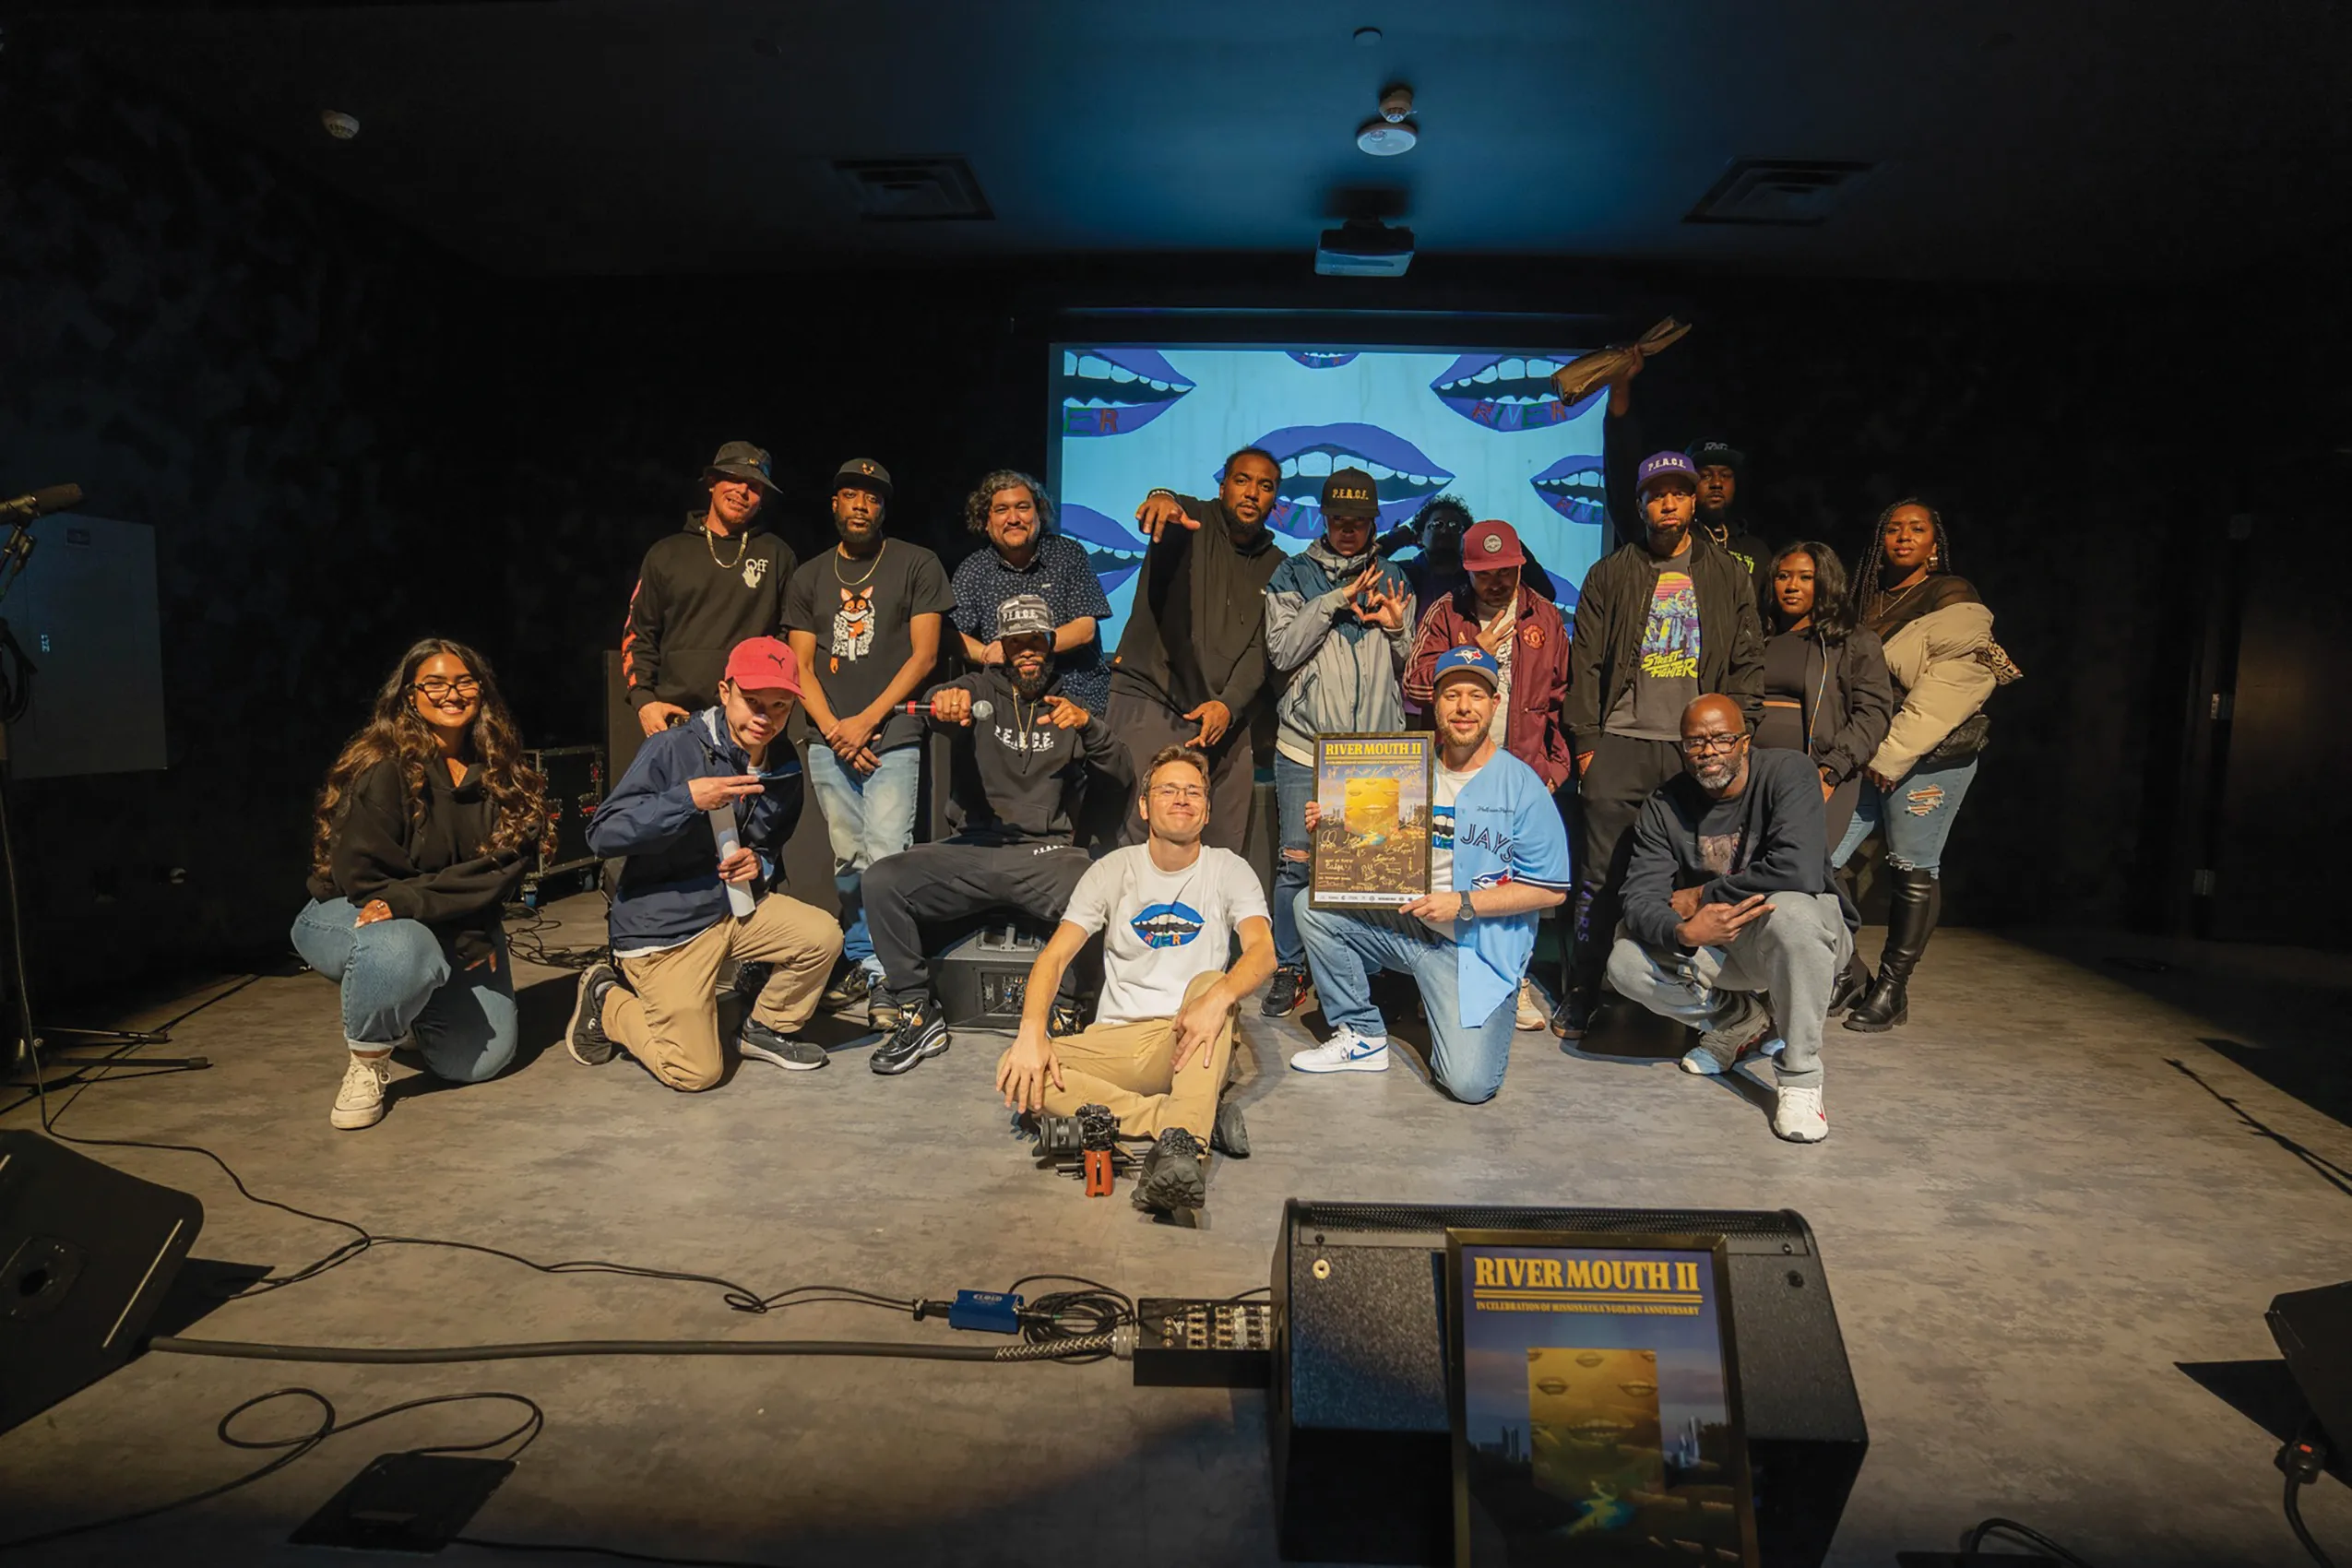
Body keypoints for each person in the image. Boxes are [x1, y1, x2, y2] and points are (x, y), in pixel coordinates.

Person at [993, 745, 1274, 1215]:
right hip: (1117, 1041)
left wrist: (1219, 996)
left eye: (1193, 792)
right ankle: (1184, 1121)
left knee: (1210, 983)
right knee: (1018, 1069)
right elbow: (1055, 956)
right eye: (1168, 790)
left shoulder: (1228, 869)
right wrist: (1030, 1033)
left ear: (1207, 810)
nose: (1181, 799)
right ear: (1144, 806)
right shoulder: (1112, 870)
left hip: (1190, 1035)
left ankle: (1184, 1149)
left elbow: (1263, 952)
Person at [1289, 647, 1573, 1102]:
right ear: (1434, 703)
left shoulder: (1522, 784)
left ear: (1494, 705)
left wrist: (1464, 903)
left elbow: (1551, 889)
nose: (1464, 708)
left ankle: (1463, 1006)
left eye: (1476, 696)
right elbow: (1371, 843)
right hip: (1409, 929)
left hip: (1476, 951)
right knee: (1312, 905)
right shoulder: (1406, 769)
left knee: (1469, 1085)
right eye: (1452, 695)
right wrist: (1332, 825)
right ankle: (1361, 1033)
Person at [861, 594, 1123, 1075]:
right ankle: (917, 1010)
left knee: (1098, 883)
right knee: (881, 880)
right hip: (972, 848)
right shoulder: (976, 689)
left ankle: (1066, 1012)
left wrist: (1090, 728)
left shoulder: (1070, 706)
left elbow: (1122, 773)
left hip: (1044, 853)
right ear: (1001, 647)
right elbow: (949, 703)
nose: (1028, 652)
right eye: (1017, 642)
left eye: (1037, 641)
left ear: (1050, 644)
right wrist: (948, 703)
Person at [293, 639, 546, 1130]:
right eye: (434, 683)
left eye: (464, 682)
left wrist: (468, 928)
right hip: (349, 911)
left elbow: (500, 871)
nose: (451, 693)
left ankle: (409, 1005)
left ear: (482, 691)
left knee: (478, 1060)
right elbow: (365, 880)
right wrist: (450, 914)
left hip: (444, 918)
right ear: (410, 695)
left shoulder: (504, 774)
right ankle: (367, 1061)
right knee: (403, 948)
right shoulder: (382, 767)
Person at [569, 637, 843, 1088]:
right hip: (665, 927)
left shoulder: (784, 762)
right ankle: (606, 999)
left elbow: (771, 843)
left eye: (779, 705)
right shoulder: (673, 748)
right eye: (753, 702)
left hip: (731, 910)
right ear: (725, 691)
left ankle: (765, 1028)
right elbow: (603, 833)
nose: (765, 716)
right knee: (696, 1072)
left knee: (821, 937)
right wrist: (687, 799)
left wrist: (760, 863)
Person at [1556, 451, 1764, 1039]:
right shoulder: (1611, 573)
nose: (1667, 503)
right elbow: (1585, 664)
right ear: (1640, 504)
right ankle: (1584, 988)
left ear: (1694, 501)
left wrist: (1735, 736)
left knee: (1702, 870)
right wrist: (1589, 745)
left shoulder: (1728, 574)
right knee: (1600, 875)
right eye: (1656, 495)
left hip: (1697, 748)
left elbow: (1748, 663)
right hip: (1622, 742)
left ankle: (1701, 998)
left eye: (1678, 493)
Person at [1605, 695, 1858, 1144]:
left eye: (1722, 738)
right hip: (1723, 946)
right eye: (1695, 742)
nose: (1709, 751)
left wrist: (1703, 896)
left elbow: (1798, 870)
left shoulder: (1789, 773)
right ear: (1682, 749)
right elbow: (1639, 896)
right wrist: (1683, 933)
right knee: (1625, 961)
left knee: (1793, 913)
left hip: (1796, 939)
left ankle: (1800, 1077)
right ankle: (1739, 1022)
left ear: (1745, 740)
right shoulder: (1665, 805)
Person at [781, 458, 954, 1018]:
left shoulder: (916, 563)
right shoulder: (809, 575)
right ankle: (864, 960)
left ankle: (891, 974)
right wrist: (836, 730)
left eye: (873, 498)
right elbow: (800, 666)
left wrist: (865, 722)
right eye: (851, 495)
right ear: (834, 504)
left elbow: (924, 655)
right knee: (848, 856)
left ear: (883, 508)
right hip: (828, 738)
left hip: (892, 733)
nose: (862, 505)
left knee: (886, 855)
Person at [1835, 500, 2002, 1033]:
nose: (1903, 537)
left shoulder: (1952, 595)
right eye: (1893, 529)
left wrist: (1894, 753)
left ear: (1935, 542)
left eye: (1917, 528)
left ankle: (1892, 989)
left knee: (1912, 868)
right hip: (1868, 751)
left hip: (1928, 756)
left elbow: (1955, 686)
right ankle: (1847, 971)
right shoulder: (1865, 598)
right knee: (1817, 857)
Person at [1404, 518, 1573, 1030]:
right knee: (1453, 871)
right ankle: (1438, 977)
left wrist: (1555, 768)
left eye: (1505, 572)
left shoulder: (1545, 616)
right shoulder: (1446, 612)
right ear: (1468, 571)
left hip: (1521, 770)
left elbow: (1562, 699)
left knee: (1514, 880)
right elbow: (1415, 685)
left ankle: (1514, 980)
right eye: (1484, 574)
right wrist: (1475, 645)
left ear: (1520, 566)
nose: (1495, 583)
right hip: (1455, 767)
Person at [1259, 468, 1415, 1017]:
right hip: (1305, 745)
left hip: (1373, 751)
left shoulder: (1394, 575)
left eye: (1360, 520)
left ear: (1375, 522)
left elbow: (1407, 663)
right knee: (1298, 863)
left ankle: (1367, 969)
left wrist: (1396, 629)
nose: (1349, 529)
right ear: (1324, 519)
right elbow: (1281, 651)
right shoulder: (1290, 573)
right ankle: (1290, 966)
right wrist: (1333, 601)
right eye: (1340, 519)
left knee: (1371, 867)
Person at [1110, 447, 1285, 851]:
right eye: (1241, 481)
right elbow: (1168, 503)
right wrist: (1160, 499)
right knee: (1137, 830)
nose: (1252, 493)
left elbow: (1262, 647)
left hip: (1224, 713)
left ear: (1274, 500)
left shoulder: (1279, 565)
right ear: (1223, 488)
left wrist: (1228, 705)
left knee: (1224, 843)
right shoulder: (1187, 521)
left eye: (1265, 486)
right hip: (1153, 694)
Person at [1757, 541, 1894, 1003]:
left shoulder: (1851, 641)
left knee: (1803, 876)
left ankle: (1832, 971)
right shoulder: (1758, 636)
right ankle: (1843, 972)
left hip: (1818, 778)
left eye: (1805, 577)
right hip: (1757, 778)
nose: (1791, 586)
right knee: (1766, 877)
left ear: (1826, 583)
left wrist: (1831, 770)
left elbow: (1873, 714)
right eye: (1783, 576)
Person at [622, 443, 800, 736]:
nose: (742, 491)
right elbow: (639, 634)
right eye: (734, 479)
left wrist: (766, 697)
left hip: (749, 722)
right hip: (676, 718)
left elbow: (788, 637)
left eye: (754, 486)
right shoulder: (665, 554)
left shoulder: (778, 555)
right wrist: (644, 702)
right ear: (712, 482)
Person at [949, 469, 1112, 714]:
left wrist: (1017, 648)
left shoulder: (1069, 555)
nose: (1013, 518)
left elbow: (1085, 629)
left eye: (1023, 507)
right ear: (986, 521)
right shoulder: (974, 569)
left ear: (1039, 514)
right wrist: (986, 653)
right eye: (1002, 510)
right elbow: (950, 635)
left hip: (1075, 695)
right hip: (1007, 703)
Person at [1685, 440, 1772, 601]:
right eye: (1705, 476)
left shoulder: (1757, 550)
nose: (1717, 483)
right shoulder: (1678, 541)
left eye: (1725, 475)